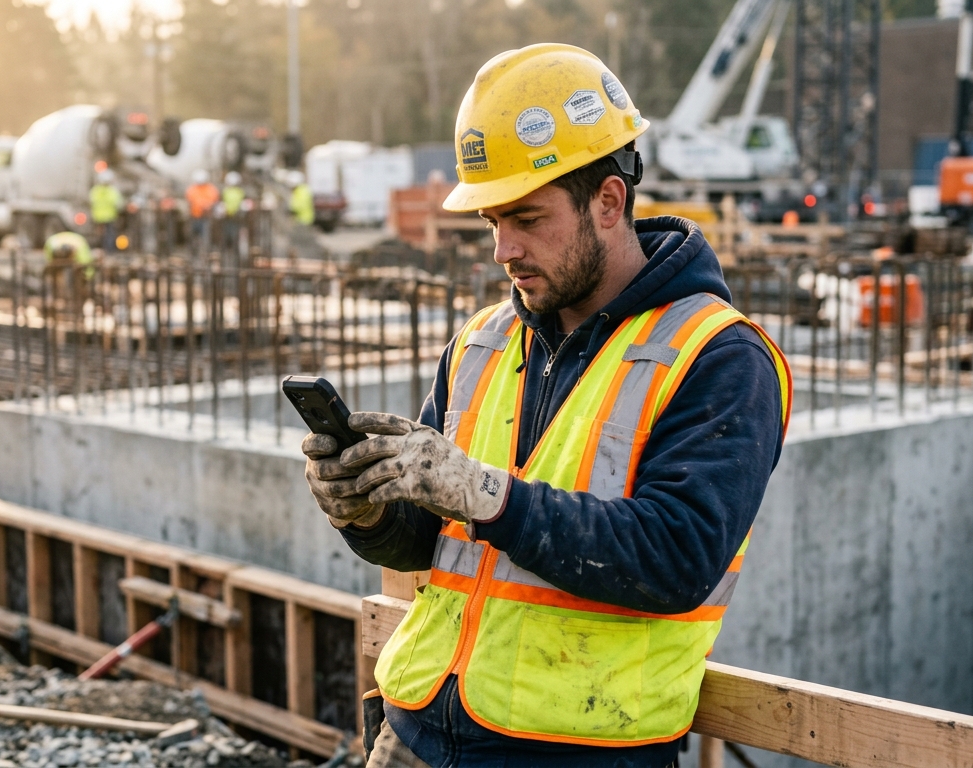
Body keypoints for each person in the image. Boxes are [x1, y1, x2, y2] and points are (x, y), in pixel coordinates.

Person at [301, 44, 792, 768]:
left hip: (573, 751)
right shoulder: (483, 341)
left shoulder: (718, 355)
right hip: (415, 731)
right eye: (494, 221)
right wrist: (368, 510)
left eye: (528, 218)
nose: (504, 248)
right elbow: (431, 546)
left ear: (609, 201)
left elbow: (678, 559)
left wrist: (486, 494)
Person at [185, 169, 220, 257]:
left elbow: (214, 201)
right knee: (193, 237)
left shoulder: (211, 189)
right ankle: (193, 254)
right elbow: (189, 201)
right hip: (194, 217)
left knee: (206, 237)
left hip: (206, 218)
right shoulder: (192, 189)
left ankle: (205, 254)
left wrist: (208, 207)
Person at [89, 169, 124, 252]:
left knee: (100, 235)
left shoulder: (95, 190)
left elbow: (91, 202)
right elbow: (119, 204)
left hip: (97, 217)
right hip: (109, 217)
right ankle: (109, 251)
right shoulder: (112, 191)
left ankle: (100, 250)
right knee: (109, 235)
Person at [221, 171, 246, 256]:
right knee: (229, 234)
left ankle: (233, 250)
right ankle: (230, 250)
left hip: (235, 217)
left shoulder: (237, 192)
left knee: (235, 235)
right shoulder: (235, 192)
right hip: (229, 217)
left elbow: (242, 203)